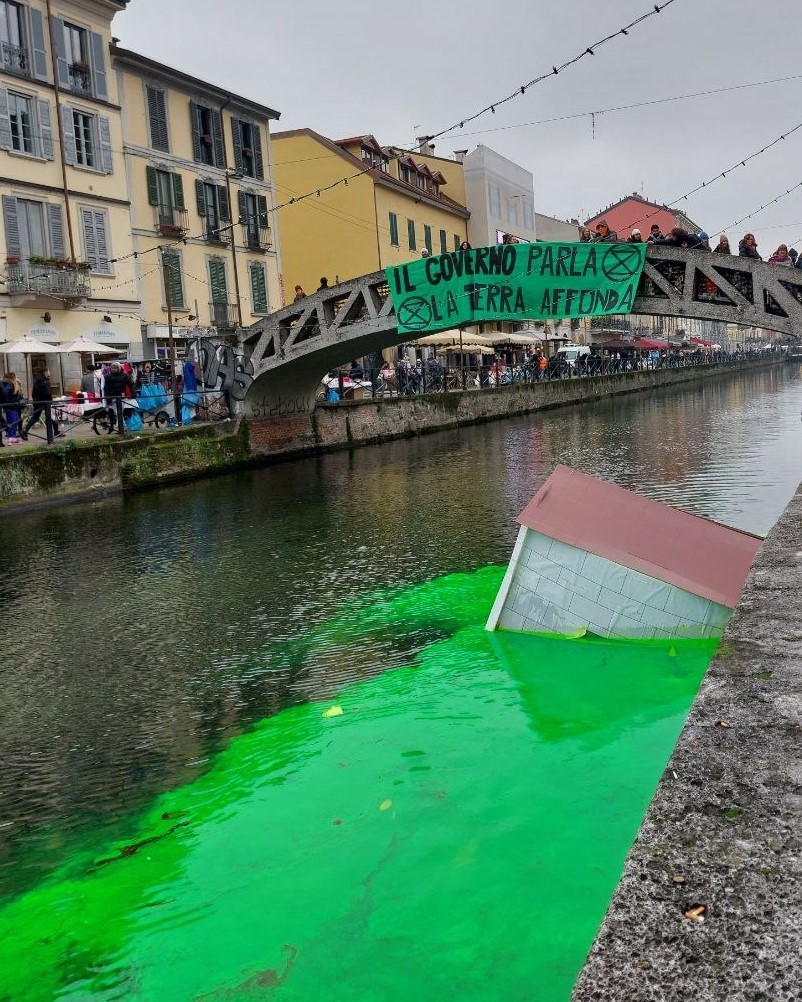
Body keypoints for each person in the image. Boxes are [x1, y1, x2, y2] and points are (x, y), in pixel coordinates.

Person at [21, 368, 59, 440]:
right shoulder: (46, 382)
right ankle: (55, 433)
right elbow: (48, 393)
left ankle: (25, 430)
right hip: (45, 402)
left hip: (37, 402)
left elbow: (33, 393)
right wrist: (50, 401)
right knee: (50, 416)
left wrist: (36, 400)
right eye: (48, 371)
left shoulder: (36, 381)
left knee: (36, 417)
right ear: (45, 373)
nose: (49, 373)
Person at [1, 372, 22, 443]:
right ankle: (11, 437)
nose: (17, 377)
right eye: (16, 376)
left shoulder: (14, 384)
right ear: (13, 377)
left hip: (14, 406)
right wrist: (11, 402)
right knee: (12, 421)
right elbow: (6, 395)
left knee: (15, 421)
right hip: (10, 406)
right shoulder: (10, 384)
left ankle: (14, 437)